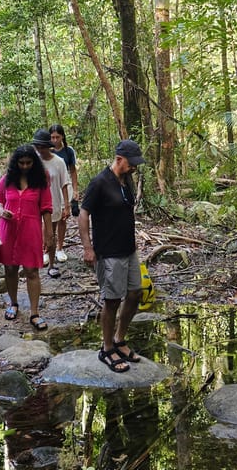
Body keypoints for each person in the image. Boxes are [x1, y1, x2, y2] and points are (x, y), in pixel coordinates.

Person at [79, 139, 146, 373]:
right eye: (131, 163)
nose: (134, 167)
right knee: (112, 300)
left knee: (136, 293)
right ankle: (106, 348)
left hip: (129, 249)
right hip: (109, 252)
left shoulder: (126, 180)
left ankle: (119, 339)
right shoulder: (99, 182)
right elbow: (83, 213)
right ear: (119, 159)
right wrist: (88, 248)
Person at [0, 145, 53, 330]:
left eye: (29, 163)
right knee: (10, 269)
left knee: (32, 271)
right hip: (8, 229)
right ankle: (13, 303)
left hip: (31, 229)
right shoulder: (6, 180)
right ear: (15, 163)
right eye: (21, 163)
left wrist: (49, 234)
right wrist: (2, 211)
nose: (25, 166)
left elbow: (46, 208)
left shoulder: (40, 182)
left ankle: (35, 313)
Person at [31, 129, 71, 278]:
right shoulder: (33, 160)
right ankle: (41, 254)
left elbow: (64, 183)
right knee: (35, 230)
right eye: (37, 146)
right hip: (34, 202)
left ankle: (52, 262)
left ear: (49, 146)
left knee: (51, 232)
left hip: (53, 201)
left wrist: (66, 205)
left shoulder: (58, 162)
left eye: (43, 146)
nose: (40, 149)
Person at [49, 124, 79, 262]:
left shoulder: (68, 151)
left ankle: (60, 247)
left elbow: (72, 170)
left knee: (62, 217)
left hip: (65, 185)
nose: (55, 140)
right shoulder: (47, 151)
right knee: (49, 218)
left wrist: (75, 189)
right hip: (50, 186)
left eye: (57, 137)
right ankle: (48, 248)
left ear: (62, 137)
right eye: (52, 137)